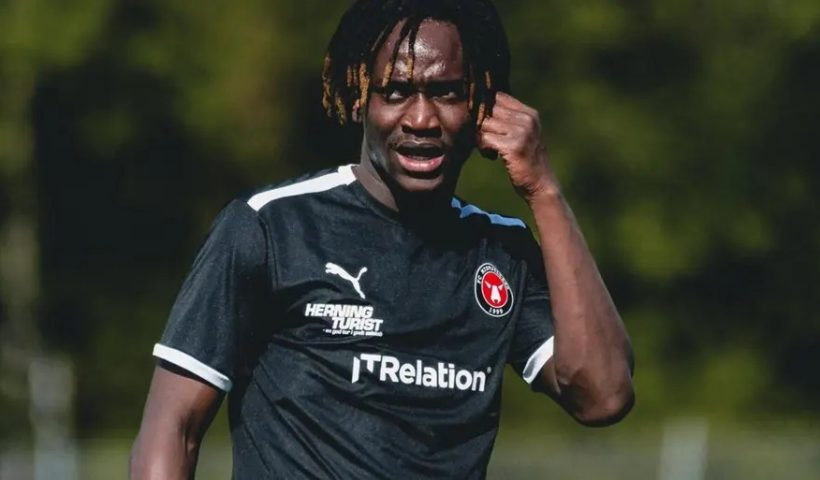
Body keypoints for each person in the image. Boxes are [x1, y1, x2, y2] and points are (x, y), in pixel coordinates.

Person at [130, 0, 634, 478]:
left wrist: (544, 191)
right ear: (358, 96)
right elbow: (175, 428)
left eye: (446, 93)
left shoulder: (502, 253)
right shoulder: (270, 226)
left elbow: (603, 396)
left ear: (481, 105)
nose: (421, 119)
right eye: (395, 92)